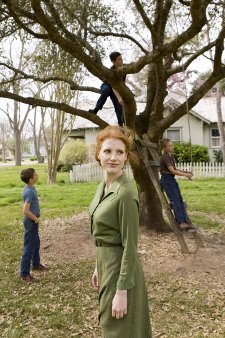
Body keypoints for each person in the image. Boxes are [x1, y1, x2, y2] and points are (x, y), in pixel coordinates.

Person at [89, 126, 152, 338]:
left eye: (120, 152)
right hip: (106, 265)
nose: (113, 157)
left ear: (126, 157)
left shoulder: (125, 193)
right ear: (98, 154)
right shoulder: (103, 187)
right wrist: (98, 267)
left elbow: (130, 246)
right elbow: (105, 235)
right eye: (107, 151)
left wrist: (122, 291)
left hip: (121, 271)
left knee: (117, 330)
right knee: (112, 327)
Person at [160, 138, 196, 230]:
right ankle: (180, 222)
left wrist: (186, 172)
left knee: (180, 200)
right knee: (175, 200)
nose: (172, 147)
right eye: (170, 146)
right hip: (167, 180)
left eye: (172, 145)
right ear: (164, 148)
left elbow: (175, 169)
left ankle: (186, 222)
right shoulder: (164, 157)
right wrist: (186, 175)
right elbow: (172, 171)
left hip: (171, 179)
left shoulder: (171, 156)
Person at [20, 168, 47, 282]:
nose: (37, 175)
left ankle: (36, 264)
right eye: (35, 175)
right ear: (31, 179)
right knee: (29, 247)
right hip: (31, 221)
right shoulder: (29, 192)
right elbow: (25, 211)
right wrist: (35, 218)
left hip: (33, 221)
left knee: (36, 243)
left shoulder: (30, 188)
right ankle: (24, 273)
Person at [89, 52, 125, 126]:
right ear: (113, 62)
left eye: (121, 58)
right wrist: (119, 97)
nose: (122, 60)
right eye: (119, 59)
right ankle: (96, 109)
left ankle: (121, 123)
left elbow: (122, 83)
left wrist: (125, 93)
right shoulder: (112, 71)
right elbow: (113, 86)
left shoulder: (124, 69)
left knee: (118, 105)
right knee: (107, 90)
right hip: (107, 85)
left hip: (116, 88)